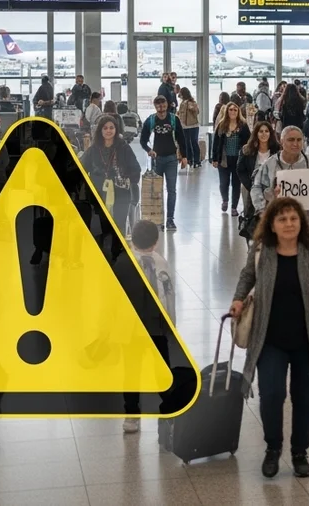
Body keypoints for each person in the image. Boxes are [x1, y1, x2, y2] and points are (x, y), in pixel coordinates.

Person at [229, 197, 309, 479]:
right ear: (271, 224)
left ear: (301, 222)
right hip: (269, 338)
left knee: (304, 396)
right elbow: (248, 276)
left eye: (294, 218)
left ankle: (299, 452)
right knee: (272, 394)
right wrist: (237, 299)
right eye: (282, 219)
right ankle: (273, 448)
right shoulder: (262, 251)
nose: (289, 223)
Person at [122, 219, 176, 434]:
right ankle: (131, 412)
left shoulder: (160, 263)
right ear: (156, 241)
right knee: (131, 371)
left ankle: (169, 408)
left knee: (161, 368)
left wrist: (171, 323)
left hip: (156, 326)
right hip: (132, 329)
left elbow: (169, 294)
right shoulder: (125, 264)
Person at [252, 126, 309, 232]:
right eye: (290, 140)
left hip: (308, 225)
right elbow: (256, 187)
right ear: (281, 141)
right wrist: (262, 209)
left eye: (299, 140)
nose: (295, 144)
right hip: (280, 223)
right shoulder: (270, 164)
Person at [81, 115, 142, 232]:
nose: (108, 131)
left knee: (119, 226)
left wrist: (128, 180)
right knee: (100, 225)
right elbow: (81, 168)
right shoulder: (93, 149)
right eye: (105, 128)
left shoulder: (124, 148)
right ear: (100, 130)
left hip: (121, 193)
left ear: (116, 129)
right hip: (99, 192)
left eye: (111, 127)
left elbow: (135, 169)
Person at [139, 95, 189, 232]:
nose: (161, 108)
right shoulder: (151, 120)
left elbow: (181, 138)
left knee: (171, 190)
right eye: (158, 105)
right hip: (157, 159)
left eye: (163, 104)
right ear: (155, 106)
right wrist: (149, 150)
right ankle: (158, 219)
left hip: (172, 159)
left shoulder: (174, 119)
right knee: (156, 191)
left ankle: (170, 219)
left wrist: (184, 156)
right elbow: (143, 139)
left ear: (167, 105)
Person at [210, 101, 250, 215]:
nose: (233, 112)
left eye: (235, 110)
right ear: (227, 111)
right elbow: (216, 142)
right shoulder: (222, 125)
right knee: (224, 182)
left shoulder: (243, 125)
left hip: (238, 159)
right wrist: (214, 159)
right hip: (224, 159)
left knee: (236, 183)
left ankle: (234, 207)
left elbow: (248, 141)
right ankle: (225, 200)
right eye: (230, 109)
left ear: (238, 112)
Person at [236, 121, 280, 223]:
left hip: (271, 187)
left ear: (270, 133)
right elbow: (240, 169)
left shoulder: (277, 150)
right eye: (261, 131)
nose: (264, 134)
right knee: (251, 213)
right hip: (250, 186)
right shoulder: (246, 150)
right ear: (256, 133)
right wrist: (250, 185)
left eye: (266, 131)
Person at [175, 87, 201, 168]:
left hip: (193, 126)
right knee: (187, 143)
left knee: (194, 142)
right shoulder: (182, 103)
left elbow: (197, 111)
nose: (180, 96)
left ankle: (196, 160)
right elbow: (180, 114)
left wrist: (192, 107)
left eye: (181, 94)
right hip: (184, 126)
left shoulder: (191, 102)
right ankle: (189, 160)